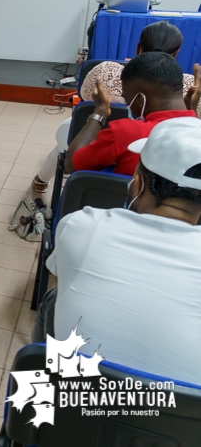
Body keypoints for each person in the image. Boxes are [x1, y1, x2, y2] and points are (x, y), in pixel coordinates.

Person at [34, 117, 201, 384]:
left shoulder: (83, 224)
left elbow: (69, 283)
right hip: (178, 419)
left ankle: (43, 374)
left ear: (139, 183)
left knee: (55, 298)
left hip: (67, 414)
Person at [30, 21, 200, 196]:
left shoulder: (125, 125)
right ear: (177, 53)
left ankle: (41, 179)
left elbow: (73, 163)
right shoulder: (190, 85)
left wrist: (100, 111)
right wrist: (191, 114)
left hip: (111, 185)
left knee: (66, 134)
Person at [64, 52, 198, 176]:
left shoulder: (125, 132)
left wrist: (100, 111)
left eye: (127, 99)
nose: (128, 104)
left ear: (140, 99)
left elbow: (72, 165)